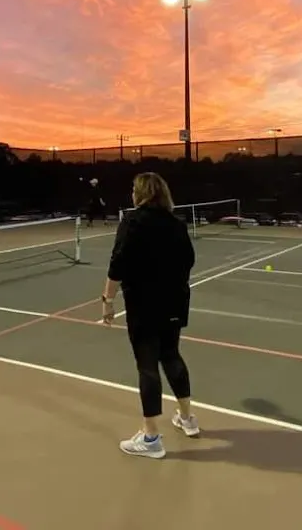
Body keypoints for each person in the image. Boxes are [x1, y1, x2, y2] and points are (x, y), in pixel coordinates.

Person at [100, 172, 200, 459]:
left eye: (134, 188)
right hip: (175, 302)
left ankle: (151, 437)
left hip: (144, 305)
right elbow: (189, 260)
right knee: (171, 355)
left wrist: (108, 300)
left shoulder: (132, 222)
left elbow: (117, 263)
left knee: (147, 364)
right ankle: (187, 417)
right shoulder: (176, 224)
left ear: (141, 193)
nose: (131, 192)